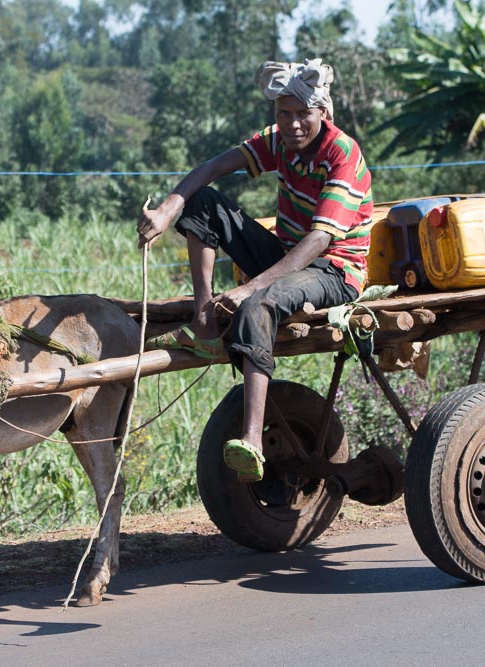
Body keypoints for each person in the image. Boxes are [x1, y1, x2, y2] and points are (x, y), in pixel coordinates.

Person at [136, 58, 374, 483]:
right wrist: (168, 210)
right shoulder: (278, 141)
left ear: (323, 112)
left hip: (335, 269)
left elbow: (320, 240)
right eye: (284, 113)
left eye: (303, 113)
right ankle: (204, 323)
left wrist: (252, 287)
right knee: (202, 201)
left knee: (259, 304)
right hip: (287, 254)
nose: (293, 123)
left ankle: (252, 440)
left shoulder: (342, 154)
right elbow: (211, 169)